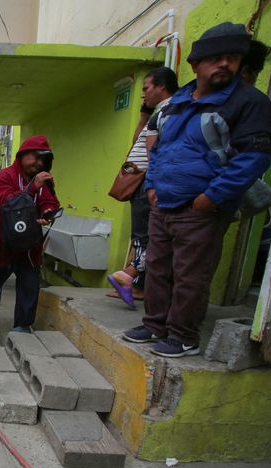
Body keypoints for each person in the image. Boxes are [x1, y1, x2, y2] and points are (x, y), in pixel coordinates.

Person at [123, 22, 271, 358]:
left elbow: (253, 159)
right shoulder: (179, 101)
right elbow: (158, 148)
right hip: (164, 202)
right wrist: (151, 188)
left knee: (191, 274)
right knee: (159, 267)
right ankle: (154, 325)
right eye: (215, 58)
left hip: (200, 207)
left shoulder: (248, 102)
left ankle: (182, 335)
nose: (224, 64)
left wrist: (211, 198)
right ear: (196, 64)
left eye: (232, 58)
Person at [0, 135, 61, 337]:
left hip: (29, 245)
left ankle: (22, 326)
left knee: (29, 285)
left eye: (42, 159)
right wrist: (31, 188)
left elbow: (49, 202)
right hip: (4, 242)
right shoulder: (4, 177)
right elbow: (8, 203)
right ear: (22, 155)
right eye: (33, 157)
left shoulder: (41, 180)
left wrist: (47, 213)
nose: (37, 163)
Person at [107, 67, 178, 307]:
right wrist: (144, 116)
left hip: (149, 183)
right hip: (140, 183)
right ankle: (134, 282)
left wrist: (153, 184)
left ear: (162, 86)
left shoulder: (171, 111)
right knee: (142, 237)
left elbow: (156, 153)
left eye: (146, 89)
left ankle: (129, 275)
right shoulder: (157, 114)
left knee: (149, 238)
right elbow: (138, 142)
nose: (144, 95)